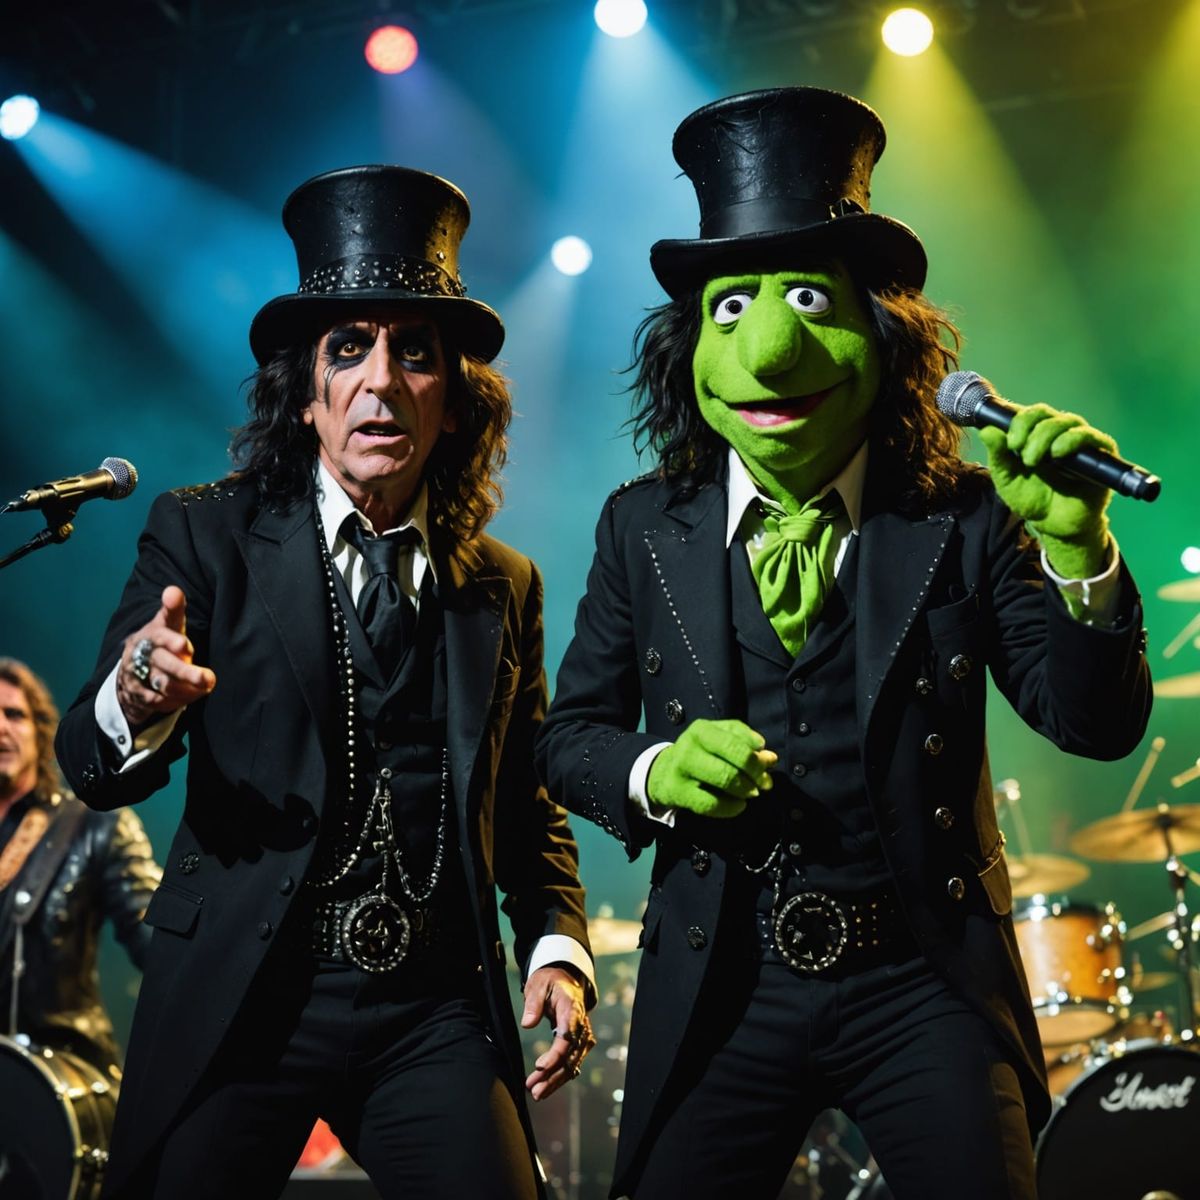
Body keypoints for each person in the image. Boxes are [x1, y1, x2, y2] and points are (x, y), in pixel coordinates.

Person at [535, 87, 1152, 1200]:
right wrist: (654, 771)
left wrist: (1079, 550)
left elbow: (1096, 726)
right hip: (721, 975)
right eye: (732, 309)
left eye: (811, 300)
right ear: (690, 345)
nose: (770, 351)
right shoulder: (642, 526)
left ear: (882, 332)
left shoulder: (965, 514)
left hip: (925, 977)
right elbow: (568, 736)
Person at [54, 164, 595, 1200]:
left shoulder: (506, 585)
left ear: (454, 402)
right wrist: (135, 693)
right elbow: (87, 762)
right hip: (244, 993)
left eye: (415, 352)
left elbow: (528, 804)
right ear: (306, 398)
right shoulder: (204, 534)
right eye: (349, 349)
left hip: (430, 1008)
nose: (381, 381)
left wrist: (558, 947)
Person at [0, 656, 161, 1193]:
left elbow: (161, 944)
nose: (1, 728)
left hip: (60, 1087)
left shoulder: (91, 825)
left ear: (40, 730)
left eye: (14, 714)